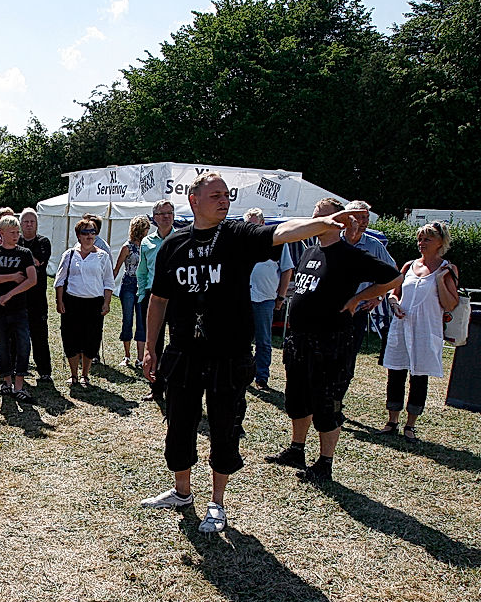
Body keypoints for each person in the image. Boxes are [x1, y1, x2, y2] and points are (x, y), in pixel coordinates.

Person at [138, 173, 356, 534]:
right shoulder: (174, 244)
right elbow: (158, 299)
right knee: (179, 424)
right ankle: (181, 491)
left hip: (228, 354)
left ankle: (217, 503)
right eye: (215, 196)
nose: (223, 201)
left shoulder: (238, 235)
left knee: (225, 426)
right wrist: (150, 348)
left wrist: (321, 222)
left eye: (226, 195)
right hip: (184, 352)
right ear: (194, 201)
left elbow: (282, 232)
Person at [264, 217, 401, 480]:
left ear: (338, 224)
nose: (316, 221)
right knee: (298, 398)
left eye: (323, 216)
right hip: (300, 339)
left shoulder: (350, 255)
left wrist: (360, 298)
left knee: (326, 402)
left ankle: (325, 463)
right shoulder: (309, 251)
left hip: (330, 341)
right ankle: (297, 449)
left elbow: (394, 278)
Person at [380, 221, 461, 442]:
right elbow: (394, 293)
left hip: (426, 330)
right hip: (402, 327)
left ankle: (410, 425)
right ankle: (392, 420)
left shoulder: (448, 269)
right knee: (395, 373)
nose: (421, 243)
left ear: (440, 243)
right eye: (420, 239)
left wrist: (440, 280)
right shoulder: (408, 266)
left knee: (419, 377)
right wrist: (395, 304)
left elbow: (450, 304)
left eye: (427, 239)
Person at [54, 217, 115, 387]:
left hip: (94, 303)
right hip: (72, 302)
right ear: (78, 235)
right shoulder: (69, 254)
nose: (89, 236)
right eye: (85, 232)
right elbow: (60, 280)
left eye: (93, 232)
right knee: (71, 338)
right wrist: (60, 301)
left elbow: (108, 282)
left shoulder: (102, 256)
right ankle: (73, 375)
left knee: (91, 339)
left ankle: (85, 375)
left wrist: (106, 302)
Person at [0, 215, 38, 401]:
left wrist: (10, 294)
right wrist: (12, 276)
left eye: (17, 232)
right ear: (1, 233)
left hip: (19, 308)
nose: (16, 235)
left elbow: (32, 280)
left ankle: (19, 385)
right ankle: (7, 381)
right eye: (12, 232)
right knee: (2, 345)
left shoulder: (24, 253)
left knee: (24, 344)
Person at [341, 200, 397, 366]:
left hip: (357, 310)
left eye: (367, 217)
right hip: (332, 308)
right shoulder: (334, 241)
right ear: (347, 218)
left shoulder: (374, 245)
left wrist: (378, 297)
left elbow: (393, 274)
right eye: (360, 217)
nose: (365, 221)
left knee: (349, 356)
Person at [244, 208, 294, 390]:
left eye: (255, 225)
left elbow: (287, 270)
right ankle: (244, 373)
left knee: (263, 340)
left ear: (263, 224)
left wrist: (281, 296)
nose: (252, 229)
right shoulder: (242, 242)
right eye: (248, 225)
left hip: (265, 298)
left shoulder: (277, 242)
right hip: (243, 298)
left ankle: (261, 376)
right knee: (242, 339)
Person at [137, 200, 175, 401]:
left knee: (177, 343)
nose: (166, 216)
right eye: (162, 214)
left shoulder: (181, 238)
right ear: (154, 218)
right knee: (154, 344)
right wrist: (142, 294)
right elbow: (142, 270)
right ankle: (156, 387)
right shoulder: (147, 242)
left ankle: (174, 386)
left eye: (169, 212)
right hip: (153, 296)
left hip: (177, 298)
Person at [18, 208, 53, 379]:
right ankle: (20, 370)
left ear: (37, 224)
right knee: (18, 337)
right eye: (26, 221)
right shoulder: (15, 241)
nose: (29, 224)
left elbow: (38, 263)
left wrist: (22, 260)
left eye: (32, 221)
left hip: (37, 298)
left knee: (39, 336)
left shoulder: (43, 242)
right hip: (19, 297)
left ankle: (44, 372)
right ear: (20, 224)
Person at [114, 215, 150, 368]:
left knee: (142, 322)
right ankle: (127, 355)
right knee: (127, 320)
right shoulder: (127, 247)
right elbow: (117, 268)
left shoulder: (148, 246)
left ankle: (140, 358)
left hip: (142, 285)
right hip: (129, 284)